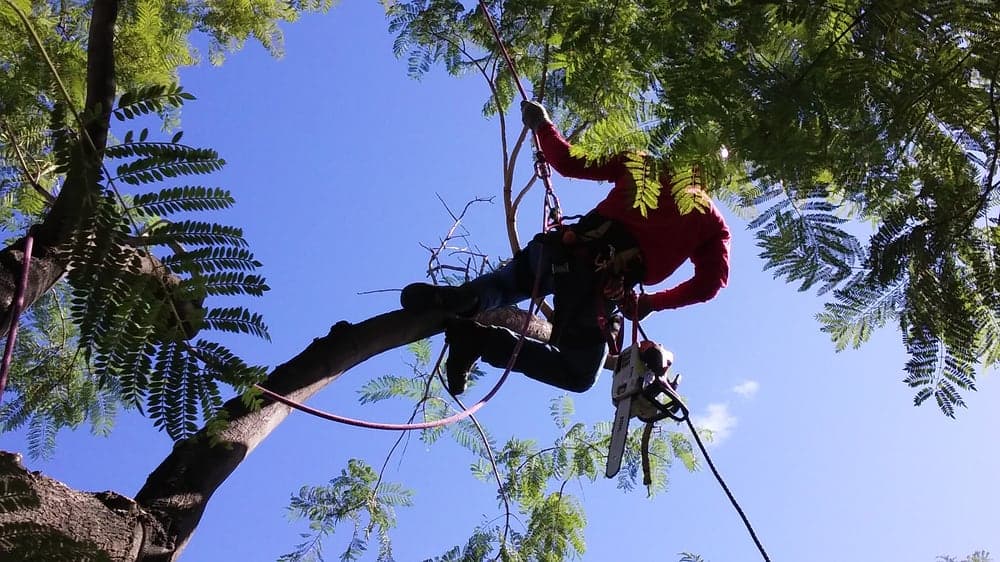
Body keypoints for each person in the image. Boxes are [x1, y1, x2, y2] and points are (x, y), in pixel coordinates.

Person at [401, 100, 731, 395]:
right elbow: (710, 285)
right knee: (578, 374)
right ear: (711, 177)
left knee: (507, 284)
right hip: (591, 293)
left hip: (558, 253)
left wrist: (542, 123)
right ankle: (479, 341)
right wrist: (650, 303)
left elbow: (568, 161)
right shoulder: (711, 224)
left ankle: (461, 299)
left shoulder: (643, 165)